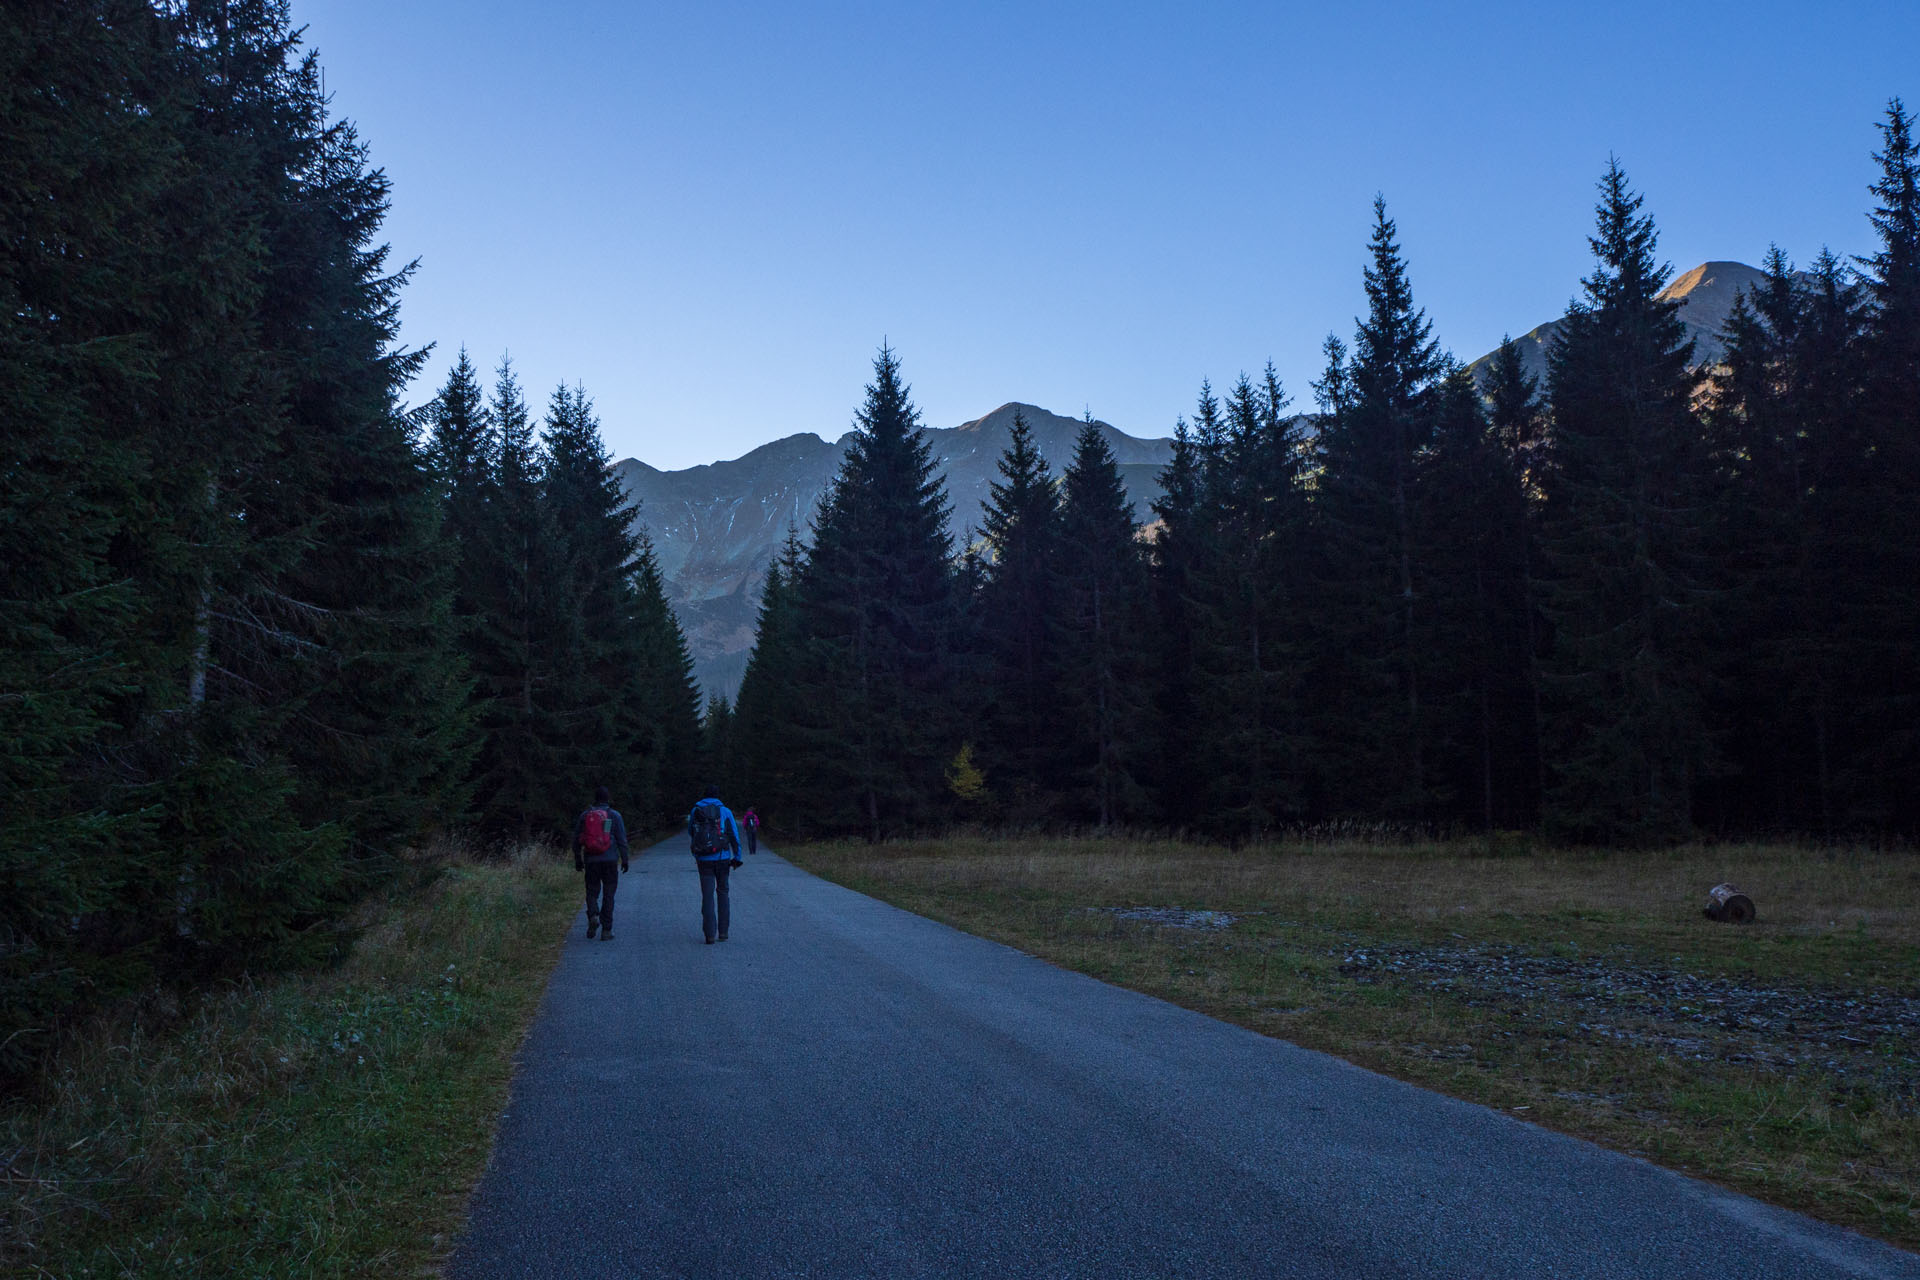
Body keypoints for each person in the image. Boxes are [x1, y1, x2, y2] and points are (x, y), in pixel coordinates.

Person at [686, 788, 744, 944]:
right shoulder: (725, 811)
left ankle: (709, 934)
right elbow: (734, 835)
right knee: (723, 893)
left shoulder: (696, 810)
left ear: (704, 796)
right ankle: (723, 932)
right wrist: (737, 857)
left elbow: (691, 831)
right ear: (718, 796)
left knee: (707, 895)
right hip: (722, 858)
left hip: (703, 859)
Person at [573, 785, 630, 941]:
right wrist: (624, 859)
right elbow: (621, 840)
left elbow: (576, 839)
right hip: (610, 860)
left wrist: (578, 859)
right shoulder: (614, 815)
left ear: (595, 799)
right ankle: (606, 930)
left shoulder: (585, 816)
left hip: (591, 860)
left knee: (592, 891)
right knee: (609, 894)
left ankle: (593, 915)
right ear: (608, 798)